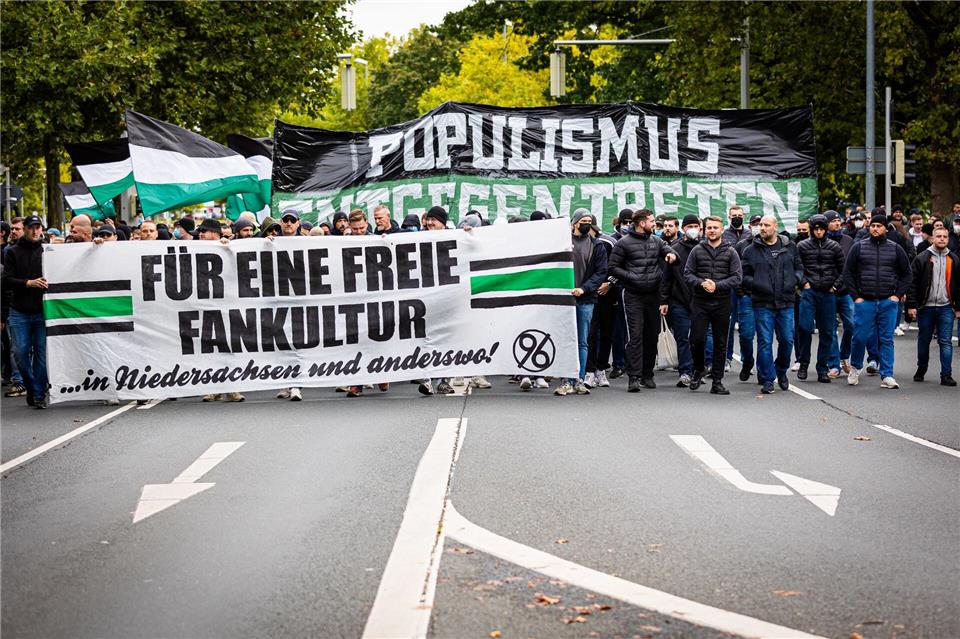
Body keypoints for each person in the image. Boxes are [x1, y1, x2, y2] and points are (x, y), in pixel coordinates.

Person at [608, 208, 678, 392]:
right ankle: (634, 376)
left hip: (653, 295)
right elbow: (613, 267)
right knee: (635, 336)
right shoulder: (623, 243)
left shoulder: (656, 240)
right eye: (652, 221)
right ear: (642, 223)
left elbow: (669, 250)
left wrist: (672, 255)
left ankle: (648, 374)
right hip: (632, 295)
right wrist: (631, 276)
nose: (654, 224)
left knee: (652, 336)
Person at [843, 213, 912, 389]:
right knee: (859, 337)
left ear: (885, 228)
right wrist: (856, 297)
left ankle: (887, 375)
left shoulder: (896, 249)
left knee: (886, 339)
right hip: (865, 301)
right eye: (872, 226)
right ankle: (855, 367)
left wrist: (897, 296)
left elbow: (907, 274)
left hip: (888, 302)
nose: (875, 229)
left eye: (878, 226)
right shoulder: (859, 247)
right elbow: (848, 273)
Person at [741, 215, 803, 394]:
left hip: (786, 302)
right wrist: (758, 284)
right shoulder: (750, 250)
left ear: (775, 227)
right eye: (761, 225)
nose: (762, 228)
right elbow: (744, 275)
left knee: (787, 340)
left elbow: (799, 267)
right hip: (763, 303)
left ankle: (781, 370)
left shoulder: (790, 246)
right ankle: (768, 379)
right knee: (765, 342)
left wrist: (794, 280)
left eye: (766, 225)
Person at [683, 216, 742, 394]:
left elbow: (737, 278)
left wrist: (717, 285)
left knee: (720, 342)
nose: (712, 230)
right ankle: (698, 369)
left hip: (722, 302)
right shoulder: (697, 250)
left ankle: (717, 381)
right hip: (700, 302)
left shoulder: (731, 252)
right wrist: (702, 283)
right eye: (709, 228)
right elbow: (688, 274)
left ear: (722, 230)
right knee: (696, 339)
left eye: (715, 227)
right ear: (704, 230)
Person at [555, 210, 608, 396]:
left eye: (589, 221)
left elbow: (601, 272)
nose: (586, 224)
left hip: (585, 299)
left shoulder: (597, 245)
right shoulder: (562, 243)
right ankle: (566, 380)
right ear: (574, 223)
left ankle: (579, 378)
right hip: (564, 299)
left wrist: (584, 288)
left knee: (582, 341)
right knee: (565, 339)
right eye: (583, 221)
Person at [1, 215, 49, 408]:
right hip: (19, 311)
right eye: (31, 227)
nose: (35, 231)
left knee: (40, 353)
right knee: (20, 352)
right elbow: (6, 280)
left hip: (42, 311)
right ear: (26, 228)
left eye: (38, 227)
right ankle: (31, 385)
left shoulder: (48, 250)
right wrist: (28, 283)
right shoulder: (12, 252)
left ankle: (38, 394)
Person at [906, 227, 959, 386]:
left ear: (948, 239)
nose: (942, 239)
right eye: (939, 236)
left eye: (945, 237)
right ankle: (921, 368)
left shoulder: (954, 259)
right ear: (933, 238)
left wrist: (958, 307)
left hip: (946, 307)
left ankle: (946, 375)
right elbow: (912, 283)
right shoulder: (922, 258)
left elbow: (958, 285)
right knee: (924, 340)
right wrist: (911, 305)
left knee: (946, 341)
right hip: (926, 307)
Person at [795, 214, 845, 383]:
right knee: (804, 327)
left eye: (821, 229)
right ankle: (803, 363)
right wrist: (804, 283)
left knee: (827, 332)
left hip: (828, 293)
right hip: (809, 292)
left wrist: (835, 286)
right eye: (815, 229)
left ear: (825, 230)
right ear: (811, 230)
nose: (818, 232)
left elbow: (843, 269)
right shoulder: (802, 246)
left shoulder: (834, 247)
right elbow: (797, 267)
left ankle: (822, 368)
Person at [419, 207, 456, 396]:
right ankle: (426, 379)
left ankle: (443, 380)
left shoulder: (455, 237)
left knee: (446, 339)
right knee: (425, 339)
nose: (429, 223)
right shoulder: (418, 238)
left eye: (434, 219)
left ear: (443, 222)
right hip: (426, 298)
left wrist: (469, 234)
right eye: (428, 219)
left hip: (448, 298)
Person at [663, 214, 703, 387]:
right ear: (683, 228)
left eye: (696, 226)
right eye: (689, 226)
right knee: (682, 337)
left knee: (698, 338)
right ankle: (685, 371)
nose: (693, 229)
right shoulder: (674, 249)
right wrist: (664, 300)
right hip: (678, 300)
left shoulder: (705, 248)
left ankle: (698, 369)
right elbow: (666, 277)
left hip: (701, 301)